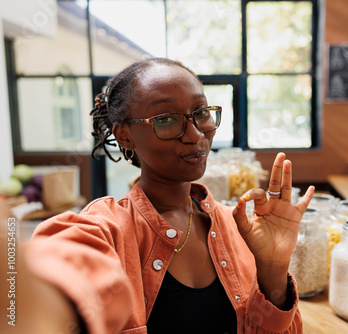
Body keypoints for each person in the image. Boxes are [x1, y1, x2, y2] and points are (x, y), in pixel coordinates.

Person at [5, 58, 315, 333]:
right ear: (124, 134)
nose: (195, 135)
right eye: (166, 119)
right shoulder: (105, 228)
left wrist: (273, 270)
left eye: (201, 112)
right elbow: (56, 278)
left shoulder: (239, 227)